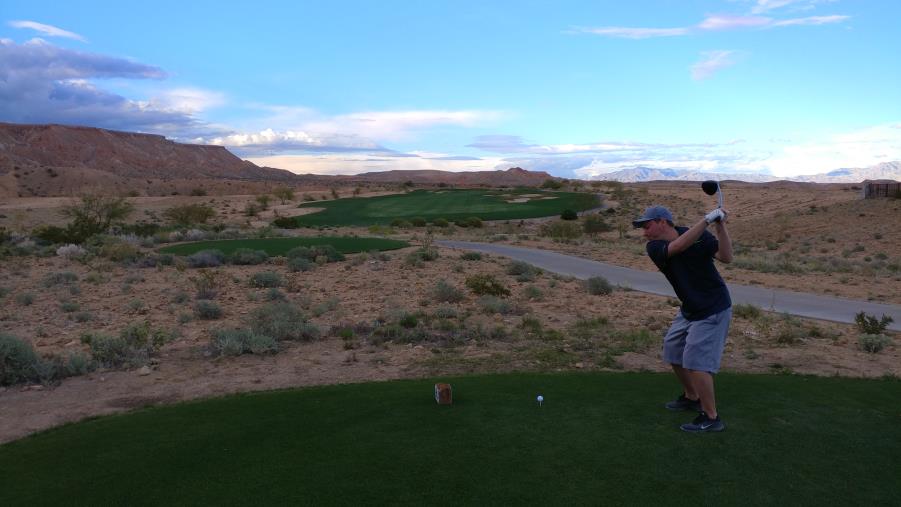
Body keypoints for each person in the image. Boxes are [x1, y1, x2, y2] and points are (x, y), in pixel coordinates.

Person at [632, 204, 733, 433]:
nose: (644, 233)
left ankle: (711, 417)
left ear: (663, 222)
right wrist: (706, 219)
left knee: (696, 361)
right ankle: (692, 396)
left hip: (713, 306)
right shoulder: (654, 247)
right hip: (690, 308)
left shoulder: (696, 234)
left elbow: (726, 257)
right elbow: (678, 246)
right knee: (673, 349)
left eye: (647, 226)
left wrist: (720, 226)